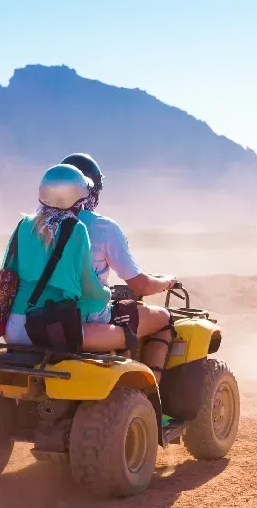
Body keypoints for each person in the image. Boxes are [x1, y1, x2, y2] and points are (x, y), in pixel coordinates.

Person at [3, 163, 166, 357]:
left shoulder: (23, 225)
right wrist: (108, 294)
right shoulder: (76, 229)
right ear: (78, 198)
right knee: (136, 329)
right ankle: (147, 381)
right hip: (53, 330)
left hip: (13, 329)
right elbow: (89, 288)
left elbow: (7, 273)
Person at [59, 152, 178, 381]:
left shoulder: (34, 225)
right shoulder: (103, 227)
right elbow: (141, 286)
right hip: (84, 321)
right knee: (163, 317)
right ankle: (151, 398)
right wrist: (166, 281)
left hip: (33, 319)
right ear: (90, 189)